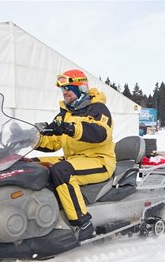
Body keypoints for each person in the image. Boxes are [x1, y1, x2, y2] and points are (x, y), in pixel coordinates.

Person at [35, 69, 115, 241]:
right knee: (32, 164)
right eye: (62, 89)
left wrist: (69, 128)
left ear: (81, 88)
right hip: (74, 159)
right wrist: (33, 138)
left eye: (68, 88)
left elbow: (100, 133)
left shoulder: (98, 109)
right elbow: (54, 142)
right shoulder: (65, 113)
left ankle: (83, 223)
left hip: (99, 161)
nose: (64, 93)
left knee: (62, 171)